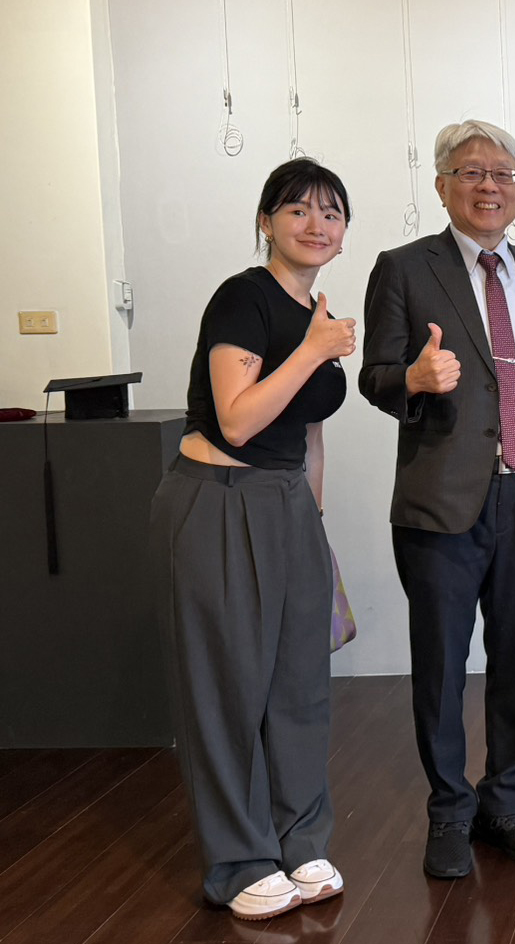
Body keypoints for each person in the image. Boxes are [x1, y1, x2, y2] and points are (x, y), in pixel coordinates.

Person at [359, 119, 515, 880]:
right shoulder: (403, 268)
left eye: (503, 174)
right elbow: (374, 374)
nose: (489, 186)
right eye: (472, 172)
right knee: (442, 664)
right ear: (442, 184)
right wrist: (412, 380)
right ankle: (449, 811)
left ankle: (504, 801)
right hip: (441, 502)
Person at [150, 158, 356, 920]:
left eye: (331, 212)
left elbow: (308, 430)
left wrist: (314, 529)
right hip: (219, 500)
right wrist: (313, 350)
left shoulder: (318, 312)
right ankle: (239, 861)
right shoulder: (243, 297)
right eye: (298, 209)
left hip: (287, 506)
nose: (315, 224)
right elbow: (236, 420)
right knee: (227, 690)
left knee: (300, 686)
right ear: (266, 221)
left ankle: (301, 841)